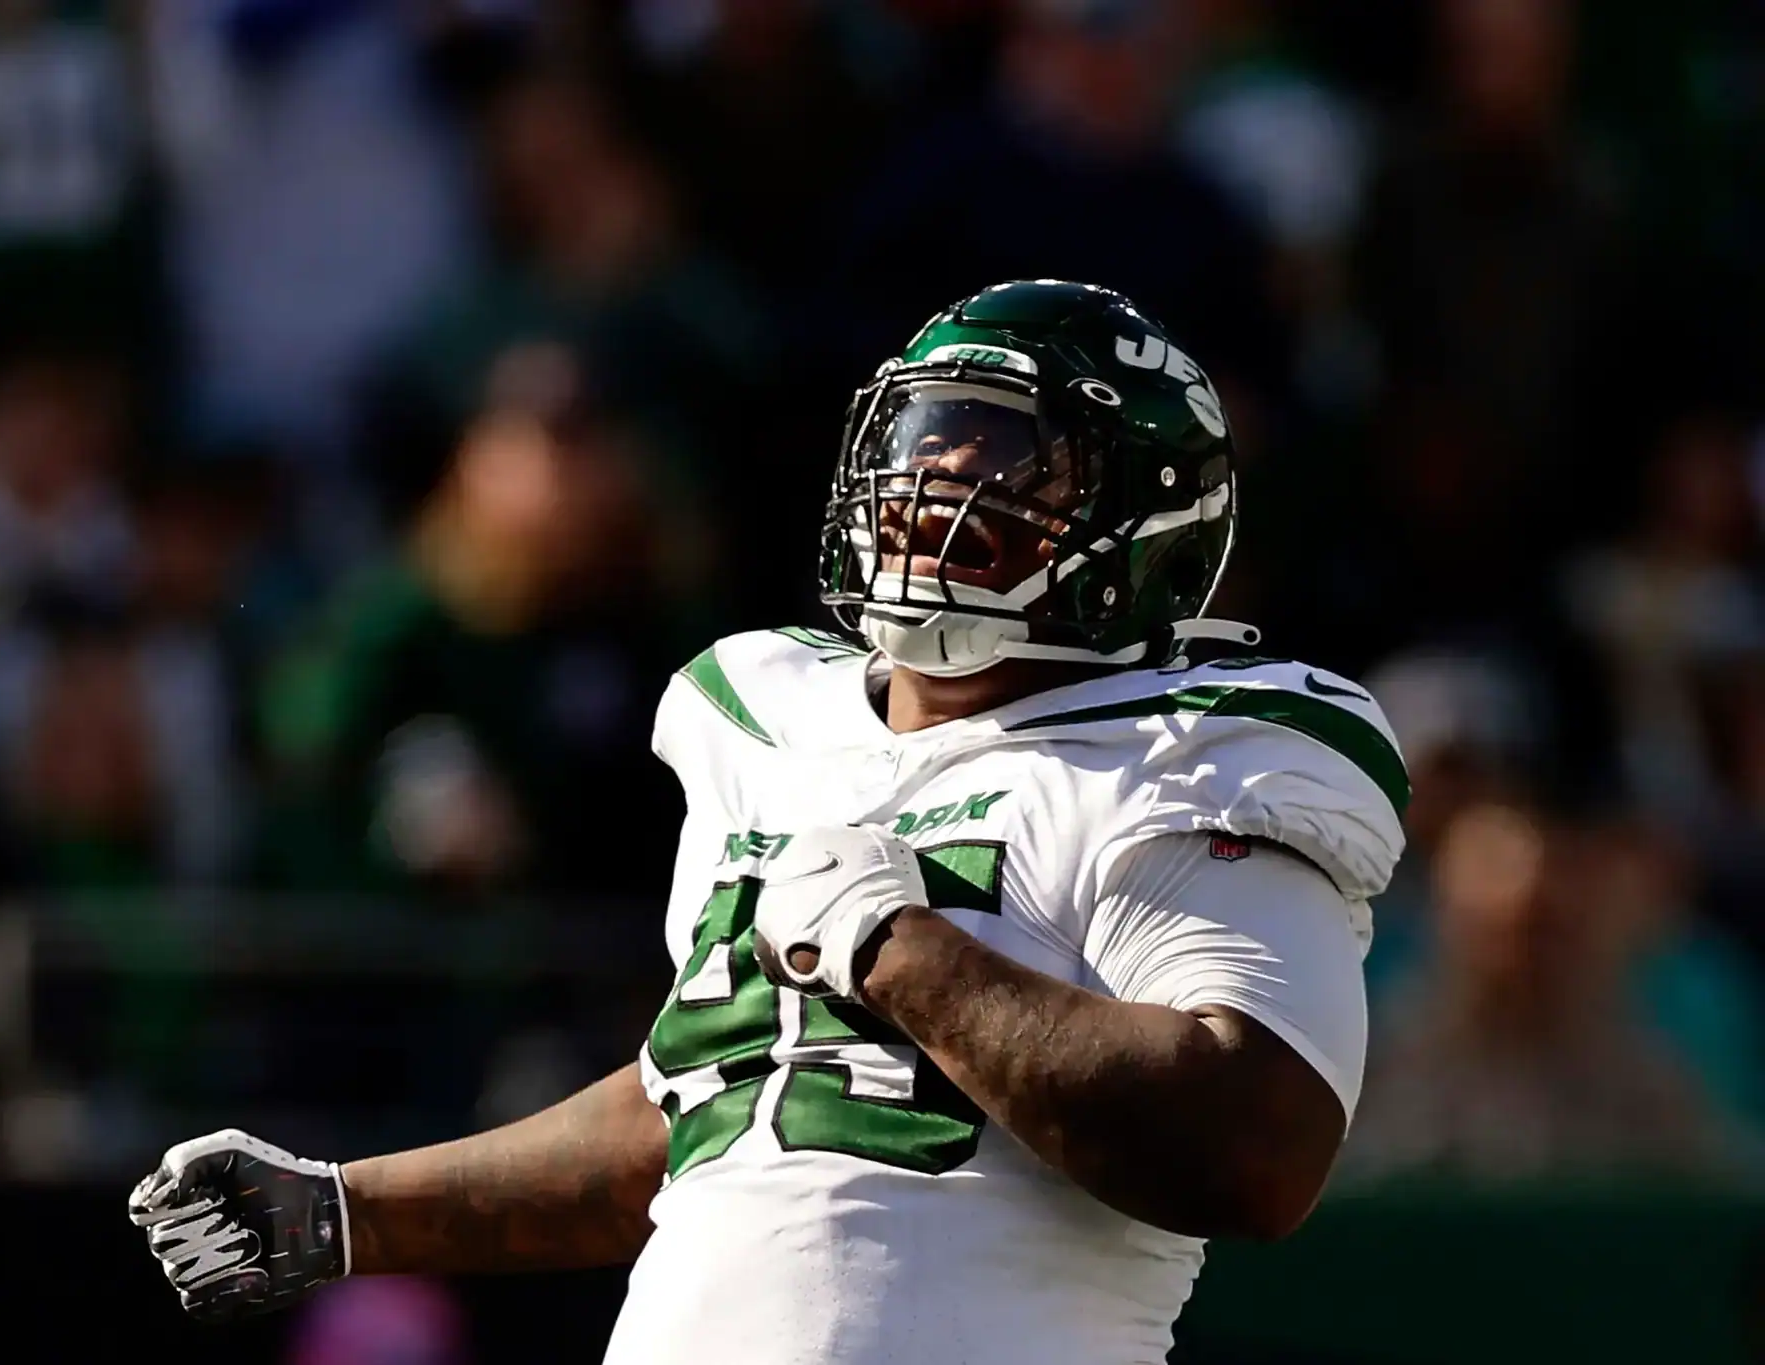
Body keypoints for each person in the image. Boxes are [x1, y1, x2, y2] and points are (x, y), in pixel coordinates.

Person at [128, 281, 1404, 1365]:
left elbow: (1254, 1149)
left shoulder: (1182, 756)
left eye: (1008, 454)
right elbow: (711, 1102)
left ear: (1143, 522)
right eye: (923, 437)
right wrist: (351, 1213)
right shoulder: (765, 720)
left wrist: (907, 954)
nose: (936, 476)